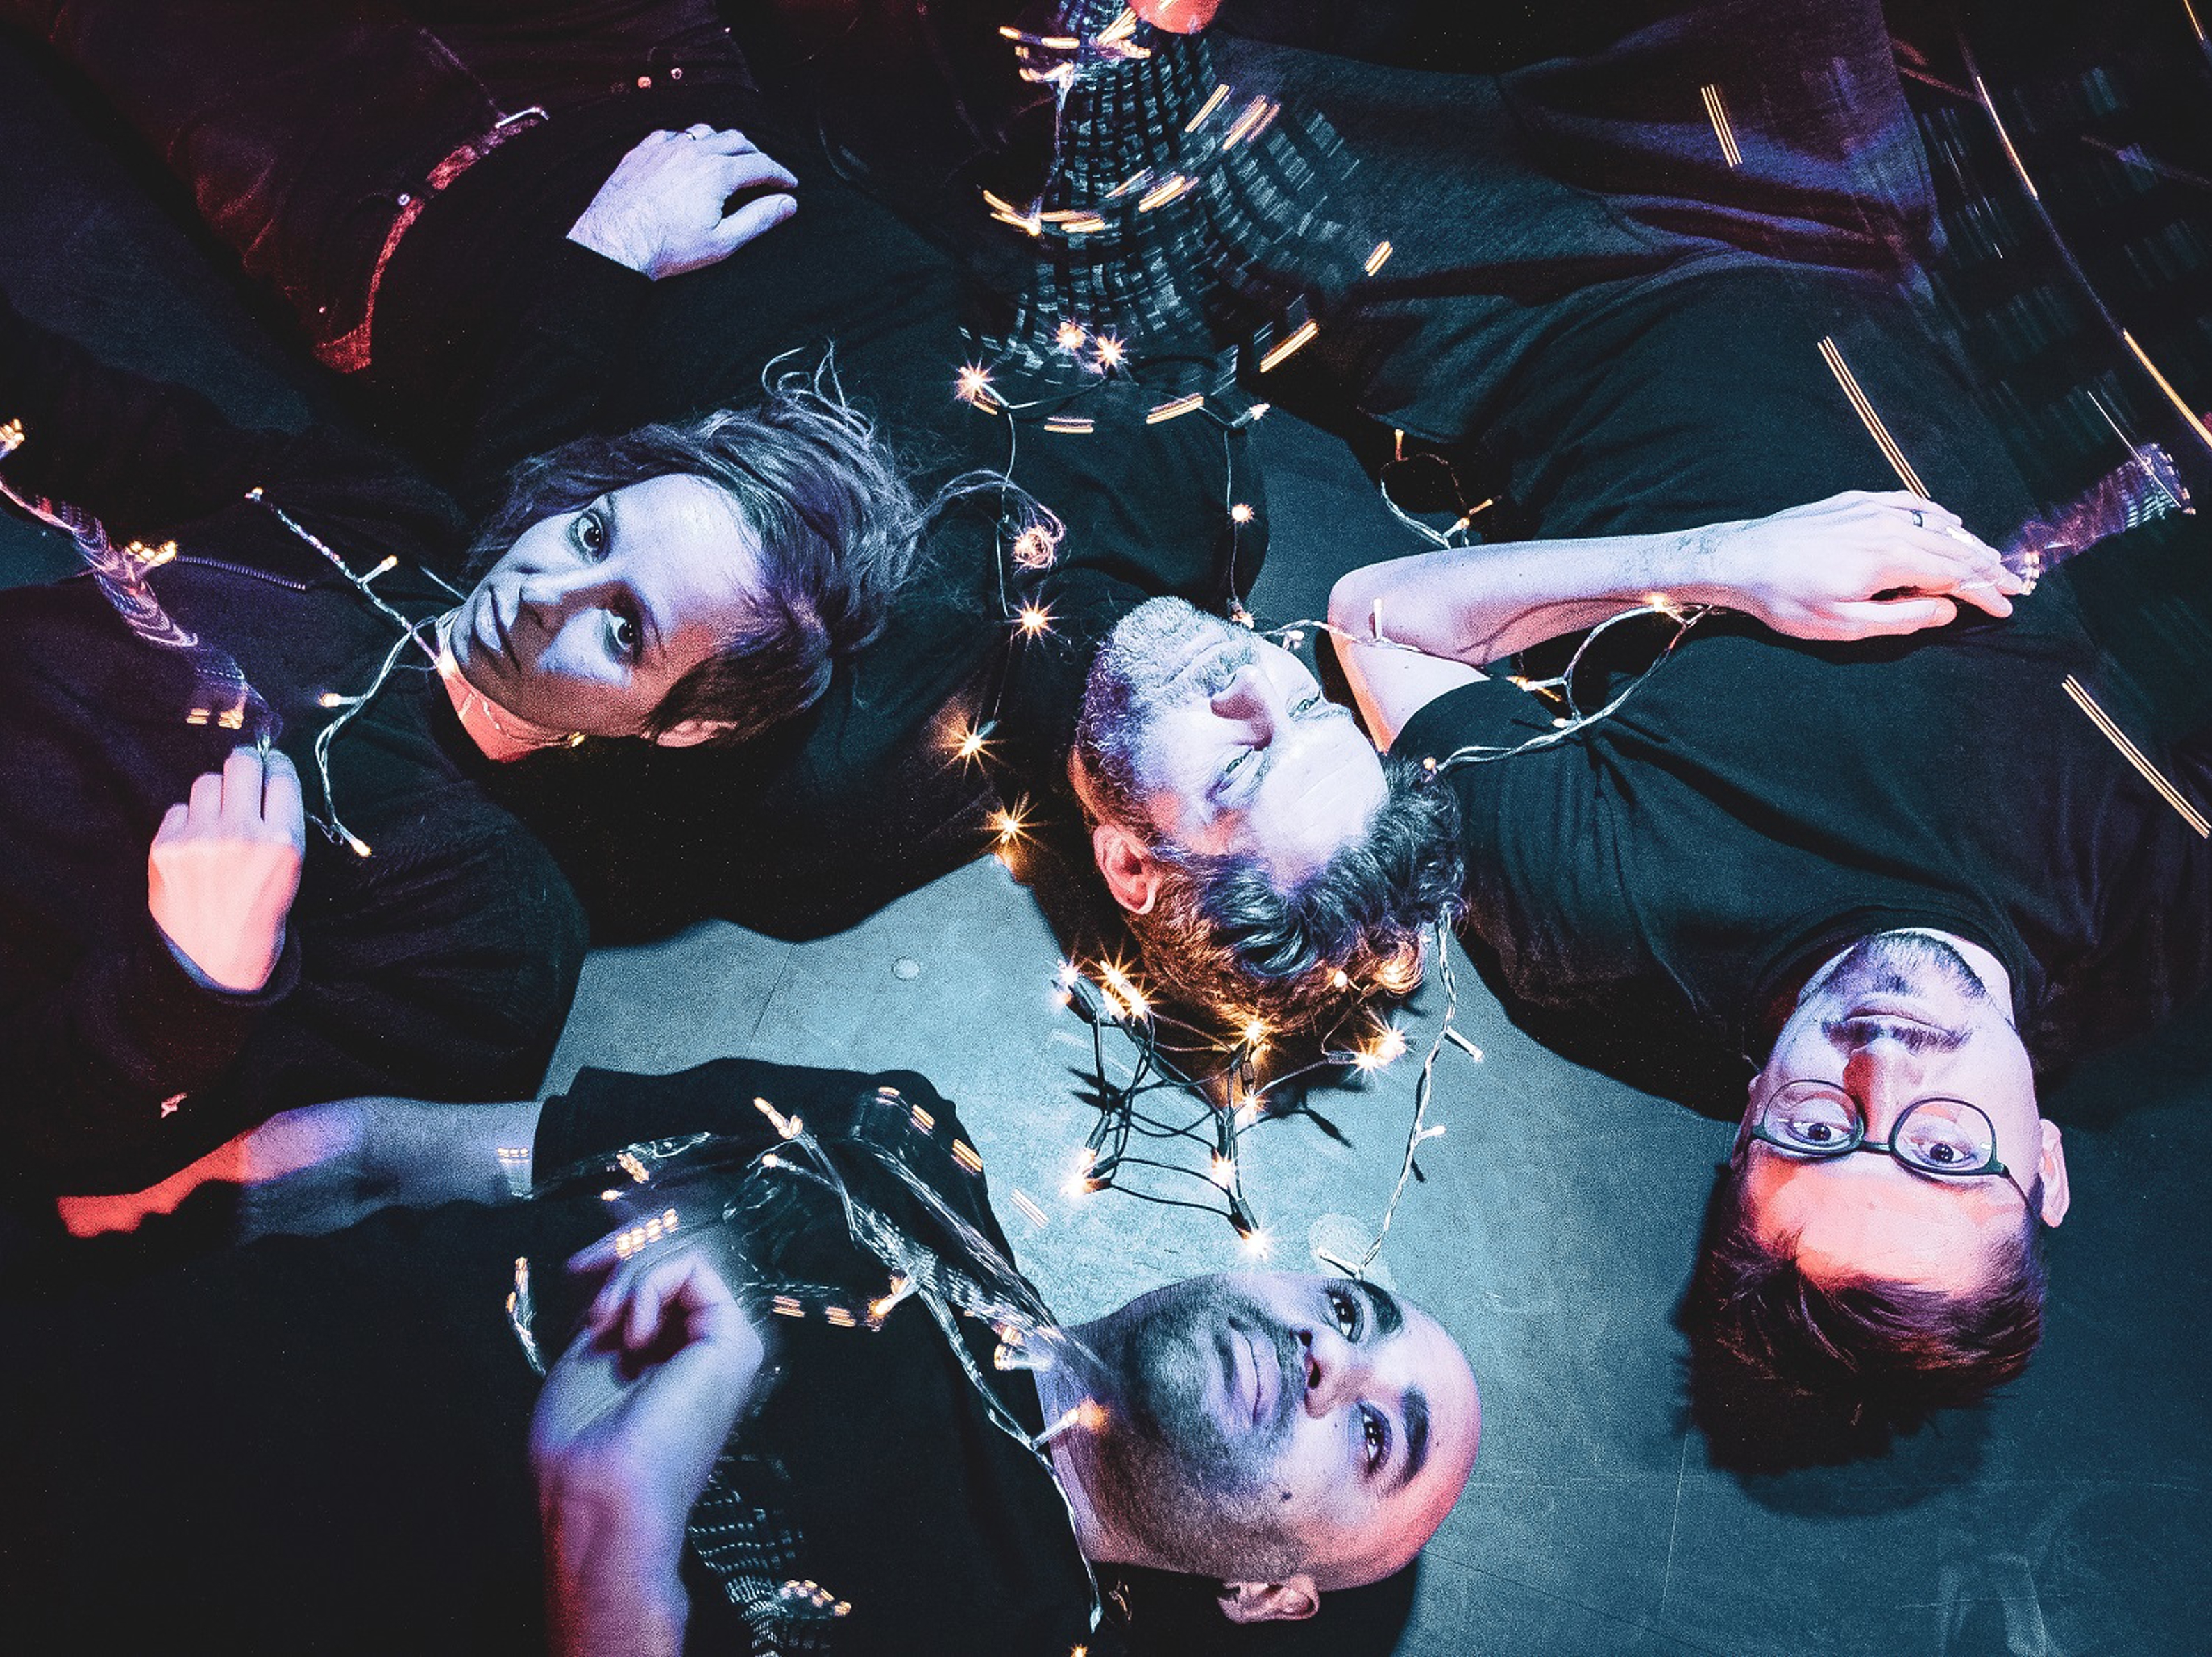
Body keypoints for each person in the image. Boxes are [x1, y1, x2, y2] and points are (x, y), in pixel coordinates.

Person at [0, 0, 1278, 936]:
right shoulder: (1205, 500)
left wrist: (601, 257)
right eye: (1312, 712)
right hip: (654, 62)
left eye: (1246, 773)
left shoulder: (840, 802)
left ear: (1134, 865)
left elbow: (494, 594)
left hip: (396, 199)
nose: (1257, 694)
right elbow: (1008, 247)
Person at [0, 1057, 1481, 1654]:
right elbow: (407, 1156)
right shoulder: (892, 1141)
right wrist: (88, 1224)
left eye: (1368, 1439)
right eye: (1347, 1314)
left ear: (1266, 1594)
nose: (1319, 1363)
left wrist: (616, 1542)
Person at [0, 278, 917, 1198]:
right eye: (594, 533)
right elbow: (84, 419)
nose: (545, 589)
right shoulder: (378, 513)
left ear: (681, 726)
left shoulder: (494, 933)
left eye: (623, 629)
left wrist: (192, 989)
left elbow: (102, 1186)